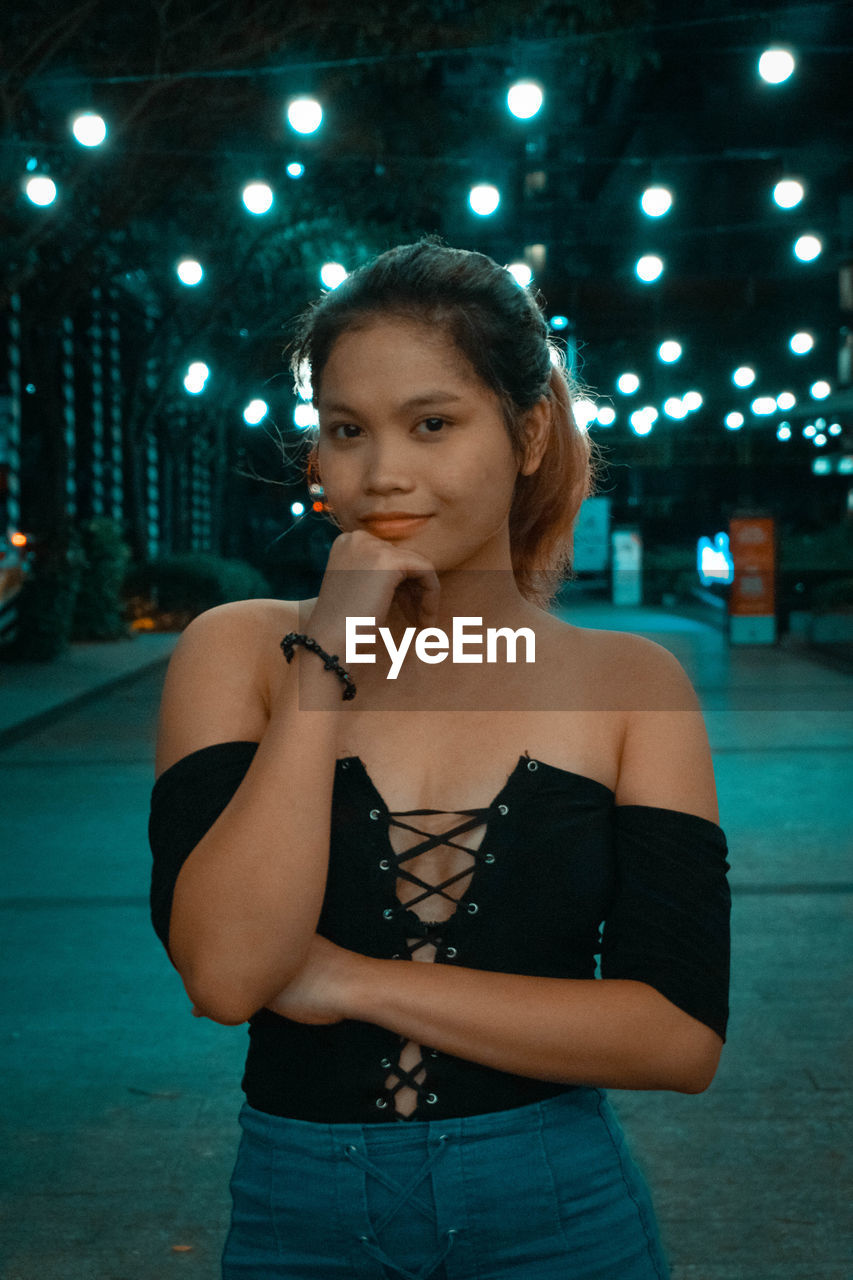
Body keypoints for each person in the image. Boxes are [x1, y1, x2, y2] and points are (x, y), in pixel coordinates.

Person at [148, 238, 731, 1280]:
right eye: (344, 431)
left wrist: (350, 979)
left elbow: (675, 1033)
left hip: (557, 1210)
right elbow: (229, 972)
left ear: (528, 429)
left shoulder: (631, 681)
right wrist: (326, 657)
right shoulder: (237, 650)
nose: (382, 474)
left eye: (431, 423)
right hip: (296, 1216)